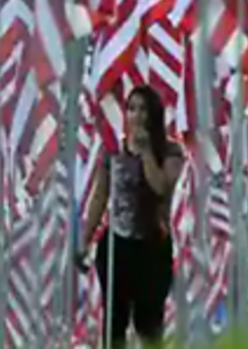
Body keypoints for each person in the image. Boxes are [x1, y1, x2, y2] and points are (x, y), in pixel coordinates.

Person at [77, 85, 184, 347]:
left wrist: (146, 151)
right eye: (131, 108)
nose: (136, 115)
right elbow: (100, 197)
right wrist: (84, 240)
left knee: (149, 327)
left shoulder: (170, 152)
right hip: (117, 246)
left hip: (152, 247)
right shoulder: (113, 150)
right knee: (114, 324)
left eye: (143, 109)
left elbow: (161, 187)